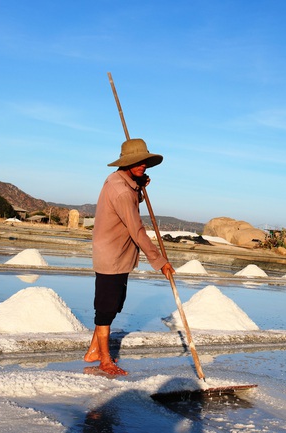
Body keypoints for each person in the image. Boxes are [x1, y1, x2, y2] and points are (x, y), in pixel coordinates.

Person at [84, 138, 175, 376]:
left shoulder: (121, 181)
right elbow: (137, 229)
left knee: (113, 306)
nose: (142, 165)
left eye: (144, 161)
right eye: (137, 162)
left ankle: (94, 350)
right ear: (126, 163)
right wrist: (160, 262)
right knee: (105, 310)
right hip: (112, 255)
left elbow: (128, 204)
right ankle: (104, 360)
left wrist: (140, 188)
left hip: (119, 254)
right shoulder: (122, 190)